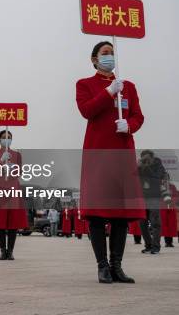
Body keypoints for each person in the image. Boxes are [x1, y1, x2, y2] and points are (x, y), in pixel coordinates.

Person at [76, 41, 145, 283]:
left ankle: (117, 265)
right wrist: (108, 92)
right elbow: (86, 110)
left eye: (112, 53)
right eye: (105, 53)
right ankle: (102, 266)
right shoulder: (85, 85)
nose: (110, 57)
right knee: (96, 213)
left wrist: (130, 125)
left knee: (120, 214)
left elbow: (138, 115)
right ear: (94, 60)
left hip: (122, 153)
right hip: (98, 154)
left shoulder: (130, 87)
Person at [0, 130, 28, 260]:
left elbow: (20, 172)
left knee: (13, 222)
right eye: (4, 137)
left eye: (9, 137)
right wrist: (1, 160)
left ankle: (10, 251)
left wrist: (11, 167)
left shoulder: (17, 154)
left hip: (12, 189)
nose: (7, 139)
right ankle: (2, 250)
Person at [137, 150, 165, 253]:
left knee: (155, 223)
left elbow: (157, 178)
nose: (146, 160)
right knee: (142, 223)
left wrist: (147, 168)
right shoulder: (140, 166)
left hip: (154, 197)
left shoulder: (158, 165)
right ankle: (148, 245)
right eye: (144, 158)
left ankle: (156, 247)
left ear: (152, 158)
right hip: (142, 198)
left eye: (147, 158)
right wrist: (137, 167)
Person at [160, 181, 177, 248]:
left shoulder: (172, 186)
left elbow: (176, 195)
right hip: (163, 207)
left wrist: (172, 201)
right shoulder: (160, 187)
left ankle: (170, 242)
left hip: (171, 206)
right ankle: (167, 242)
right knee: (165, 224)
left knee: (171, 224)